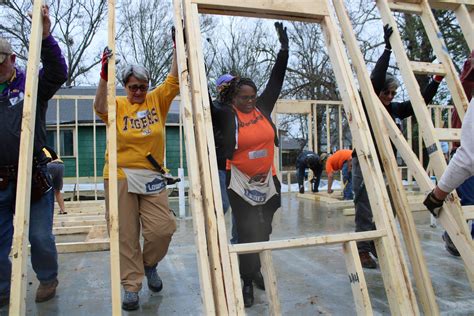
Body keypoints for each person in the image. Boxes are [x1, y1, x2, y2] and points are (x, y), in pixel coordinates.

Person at [93, 32, 179, 311]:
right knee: (125, 233)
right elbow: (99, 107)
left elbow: (174, 80)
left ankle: (149, 263)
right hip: (119, 174)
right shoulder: (116, 105)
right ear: (125, 87)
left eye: (142, 86)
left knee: (162, 230)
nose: (138, 92)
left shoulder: (157, 101)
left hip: (151, 175)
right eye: (133, 87)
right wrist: (105, 75)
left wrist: (179, 47)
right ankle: (131, 286)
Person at [210, 22, 288, 308]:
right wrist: (185, 53)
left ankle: (254, 270)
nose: (250, 101)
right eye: (244, 97)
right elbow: (206, 103)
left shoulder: (262, 108)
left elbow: (275, 82)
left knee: (263, 230)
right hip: (240, 183)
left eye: (252, 97)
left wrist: (284, 50)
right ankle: (245, 280)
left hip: (266, 181)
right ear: (233, 97)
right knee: (245, 231)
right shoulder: (226, 114)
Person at [353, 24, 443, 269]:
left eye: (393, 93)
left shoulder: (394, 109)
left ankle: (373, 238)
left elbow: (418, 104)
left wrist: (435, 81)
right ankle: (362, 249)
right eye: (387, 92)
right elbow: (375, 79)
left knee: (392, 202)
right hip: (364, 159)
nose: (390, 97)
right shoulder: (368, 104)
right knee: (364, 204)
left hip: (386, 163)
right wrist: (387, 49)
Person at [0, 5, 68, 308]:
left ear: (13, 59)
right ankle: (3, 289)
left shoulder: (30, 85)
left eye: (1, 63)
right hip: (1, 180)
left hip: (34, 175)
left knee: (40, 237)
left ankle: (48, 277)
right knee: (0, 243)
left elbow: (57, 72)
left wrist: (45, 36)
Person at [431, 50, 474, 255]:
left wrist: (437, 195)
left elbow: (468, 159)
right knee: (469, 202)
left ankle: (459, 237)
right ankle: (456, 236)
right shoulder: (465, 88)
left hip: (464, 154)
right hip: (462, 150)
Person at [213, 74, 238, 244]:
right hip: (221, 164)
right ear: (221, 87)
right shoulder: (216, 107)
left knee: (239, 207)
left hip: (239, 165)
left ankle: (237, 243)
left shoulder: (238, 107)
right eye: (229, 85)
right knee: (223, 205)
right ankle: (216, 242)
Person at [43, 146, 67, 215]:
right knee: (57, 190)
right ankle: (63, 210)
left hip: (50, 165)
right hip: (60, 165)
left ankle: (47, 211)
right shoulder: (47, 148)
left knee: (47, 189)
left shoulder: (38, 148)